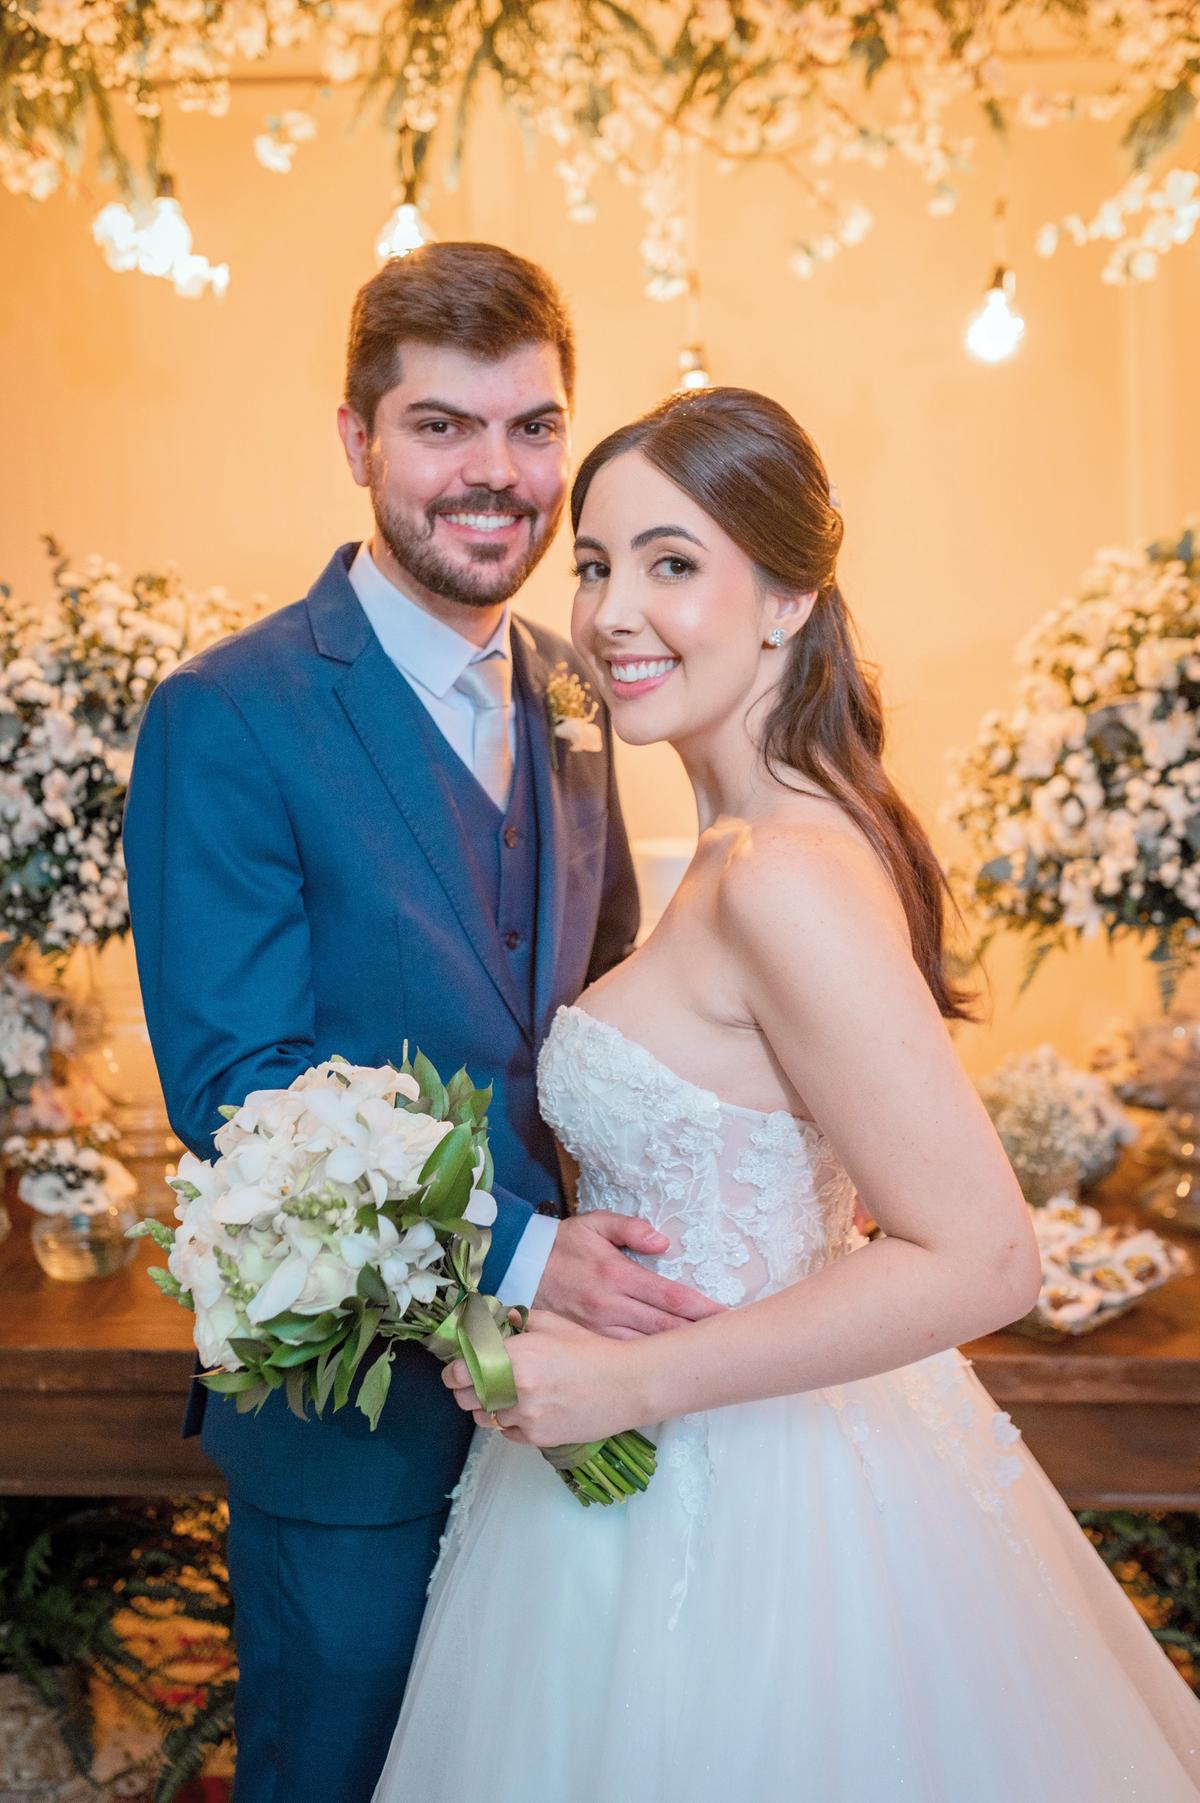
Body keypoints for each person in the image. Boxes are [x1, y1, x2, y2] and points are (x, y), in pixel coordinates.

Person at [374, 386, 1200, 1801]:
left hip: (755, 1509)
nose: (614, 610)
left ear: (789, 597)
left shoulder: (783, 877)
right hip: (644, 1469)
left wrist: (627, 1377)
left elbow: (986, 1254)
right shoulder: (744, 844)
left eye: (672, 563)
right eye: (596, 562)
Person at [122, 243, 721, 1803]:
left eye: (532, 430)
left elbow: (595, 1024)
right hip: (353, 1430)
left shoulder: (584, 696)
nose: (496, 476)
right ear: (357, 441)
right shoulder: (228, 714)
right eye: (443, 427)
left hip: (572, 1411)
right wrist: (522, 1258)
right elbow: (240, 1092)